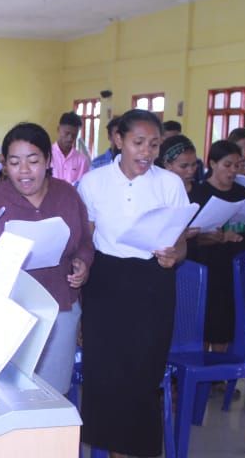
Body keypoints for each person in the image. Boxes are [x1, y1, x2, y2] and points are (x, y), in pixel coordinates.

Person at [77, 109, 188, 457]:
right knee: (105, 375)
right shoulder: (93, 182)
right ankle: (114, 451)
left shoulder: (168, 183)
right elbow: (86, 241)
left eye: (154, 145)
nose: (146, 152)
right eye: (138, 143)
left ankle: (137, 451)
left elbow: (181, 238)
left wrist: (176, 255)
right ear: (118, 140)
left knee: (142, 375)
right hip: (105, 284)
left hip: (153, 282)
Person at [0, 123, 94, 394]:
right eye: (14, 163)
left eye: (33, 161)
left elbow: (85, 240)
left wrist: (83, 263)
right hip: (9, 311)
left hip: (59, 307)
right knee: (8, 393)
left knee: (52, 392)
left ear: (48, 161)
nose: (24, 171)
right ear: (5, 165)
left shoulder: (67, 195)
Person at [188, 140, 245, 353]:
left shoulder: (242, 193)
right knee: (201, 321)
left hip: (232, 266)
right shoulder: (198, 193)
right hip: (204, 265)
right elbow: (189, 237)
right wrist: (214, 236)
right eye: (228, 165)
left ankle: (218, 375)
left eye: (238, 165)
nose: (233, 170)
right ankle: (198, 373)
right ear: (213, 163)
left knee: (225, 322)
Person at [51, 111, 90, 185]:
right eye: (67, 133)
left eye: (74, 135)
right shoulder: (47, 155)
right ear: (58, 129)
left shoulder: (82, 160)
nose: (70, 138)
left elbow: (83, 186)